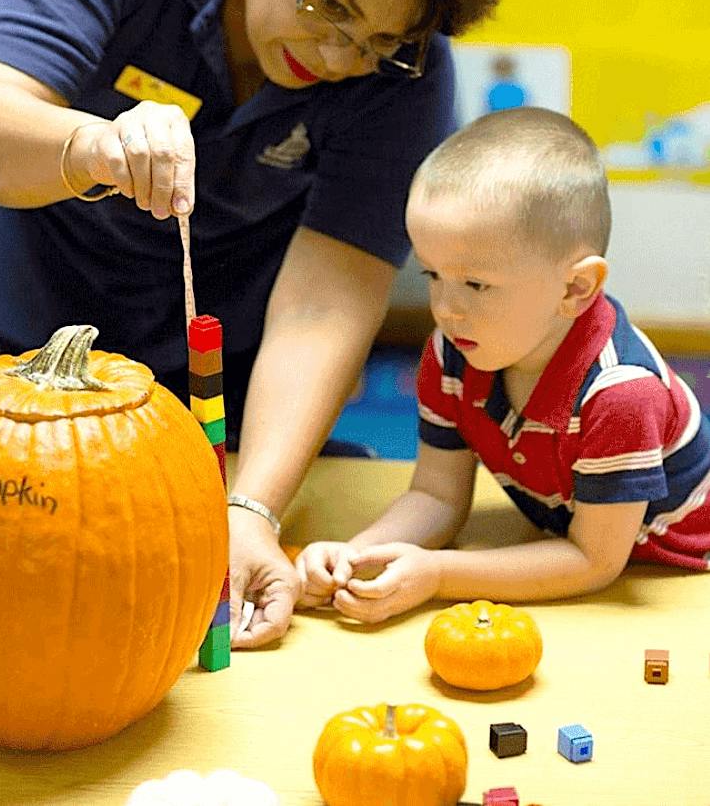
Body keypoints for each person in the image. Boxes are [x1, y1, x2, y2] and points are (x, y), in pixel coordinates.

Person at [0, 0, 525, 646]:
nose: (334, 58)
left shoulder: (407, 72)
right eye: (330, 7)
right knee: (47, 572)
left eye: (372, 45)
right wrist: (94, 148)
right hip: (49, 311)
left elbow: (328, 299)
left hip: (238, 341)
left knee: (206, 549)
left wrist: (251, 508)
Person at [294, 108, 710, 623]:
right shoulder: (453, 352)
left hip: (678, 575)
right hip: (583, 547)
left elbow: (594, 561)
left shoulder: (621, 394)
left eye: (475, 284)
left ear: (576, 289)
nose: (445, 307)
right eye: (433, 274)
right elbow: (436, 496)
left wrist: (440, 575)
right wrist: (356, 555)